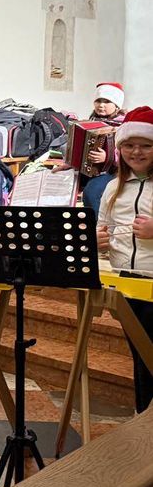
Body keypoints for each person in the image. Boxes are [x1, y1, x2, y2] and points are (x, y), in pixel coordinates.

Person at [97, 106, 153, 413]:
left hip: (152, 282)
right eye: (130, 145)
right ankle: (143, 417)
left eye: (145, 145)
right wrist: (98, 242)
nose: (136, 151)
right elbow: (100, 228)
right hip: (125, 284)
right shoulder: (112, 188)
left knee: (149, 357)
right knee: (140, 356)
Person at [82, 81, 125, 212]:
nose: (101, 105)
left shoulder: (124, 125)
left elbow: (131, 153)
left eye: (107, 101)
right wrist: (71, 161)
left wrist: (108, 157)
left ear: (117, 105)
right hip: (87, 170)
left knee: (92, 192)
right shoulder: (90, 122)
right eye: (98, 101)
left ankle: (99, 228)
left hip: (115, 171)